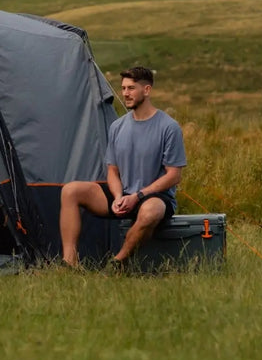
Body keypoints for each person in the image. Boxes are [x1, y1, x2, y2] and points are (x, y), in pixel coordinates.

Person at [59, 65, 186, 267]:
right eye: (124, 88)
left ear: (147, 90)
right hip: (123, 195)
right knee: (71, 190)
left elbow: (173, 175)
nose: (125, 93)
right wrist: (119, 197)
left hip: (153, 198)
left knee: (150, 212)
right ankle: (70, 262)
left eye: (131, 88)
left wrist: (138, 196)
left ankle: (118, 262)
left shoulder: (168, 127)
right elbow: (112, 171)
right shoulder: (117, 127)